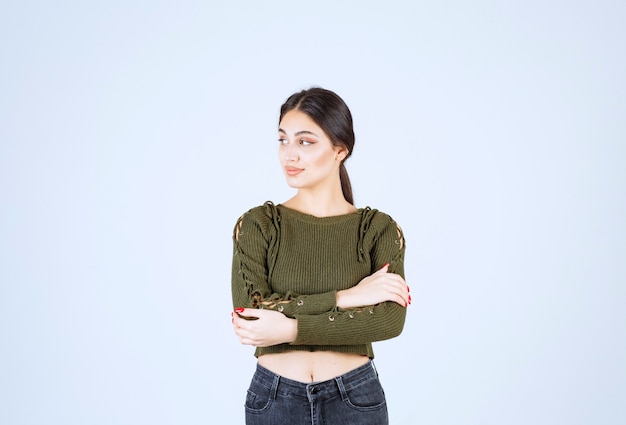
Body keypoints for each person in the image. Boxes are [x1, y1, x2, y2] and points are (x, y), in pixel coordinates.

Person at [231, 87, 410, 425]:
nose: (289, 155)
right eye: (283, 140)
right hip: (273, 398)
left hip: (355, 397)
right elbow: (250, 314)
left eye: (305, 142)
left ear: (340, 149)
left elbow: (388, 320)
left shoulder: (378, 229)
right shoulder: (258, 225)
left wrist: (289, 329)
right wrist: (348, 297)